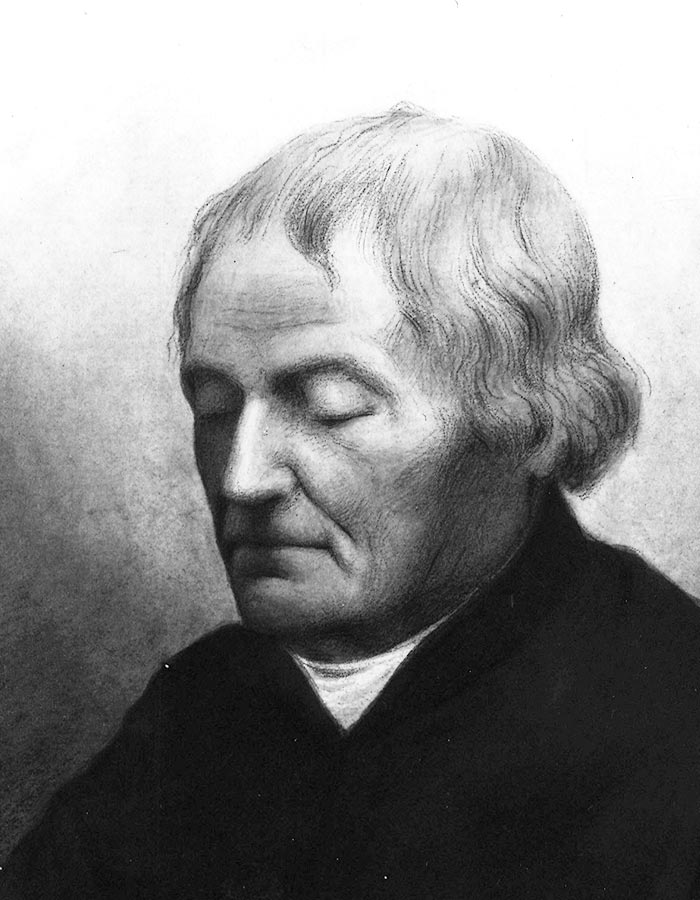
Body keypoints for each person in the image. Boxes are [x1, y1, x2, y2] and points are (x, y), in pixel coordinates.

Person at [4, 104, 700, 900]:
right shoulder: (197, 711)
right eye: (216, 408)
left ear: (521, 421)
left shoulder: (674, 715)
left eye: (331, 405)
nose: (242, 480)